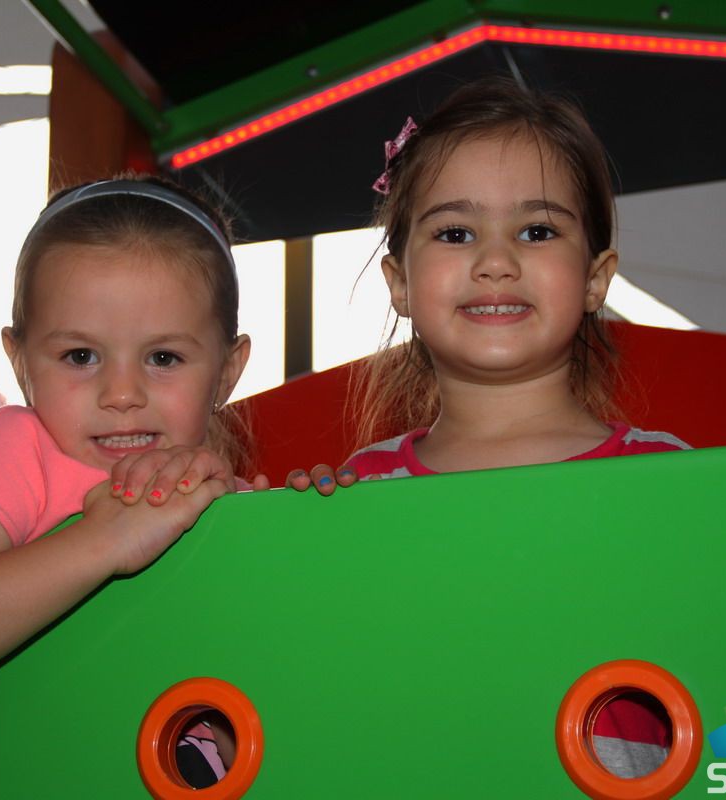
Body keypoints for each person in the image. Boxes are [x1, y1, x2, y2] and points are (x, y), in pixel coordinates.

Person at [293, 77, 689, 777]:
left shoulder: (672, 479)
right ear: (400, 283)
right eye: (455, 233)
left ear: (595, 278)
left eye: (537, 232)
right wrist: (292, 548)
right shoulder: (360, 490)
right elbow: (331, 687)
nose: (497, 262)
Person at [0, 176, 258, 786]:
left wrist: (284, 539)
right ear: (20, 362)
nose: (122, 393)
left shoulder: (217, 499)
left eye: (163, 358)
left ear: (226, 371)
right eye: (80, 357)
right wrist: (104, 540)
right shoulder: (17, 451)